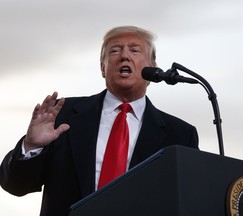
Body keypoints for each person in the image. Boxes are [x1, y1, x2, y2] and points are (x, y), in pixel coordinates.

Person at [0, 25, 199, 216]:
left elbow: (190, 202)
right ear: (103, 68)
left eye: (135, 50)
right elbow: (16, 186)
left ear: (152, 68)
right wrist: (32, 146)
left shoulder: (180, 135)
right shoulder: (62, 115)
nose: (124, 55)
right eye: (115, 50)